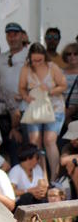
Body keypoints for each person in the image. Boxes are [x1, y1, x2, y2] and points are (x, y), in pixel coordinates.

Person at [19, 43, 67, 179]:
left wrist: (50, 91)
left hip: (54, 108)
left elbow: (63, 85)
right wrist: (25, 97)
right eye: (34, 60)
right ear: (30, 58)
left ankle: (54, 177)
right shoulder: (26, 69)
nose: (37, 63)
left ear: (45, 58)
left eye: (39, 60)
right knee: (35, 142)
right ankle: (41, 176)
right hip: (35, 108)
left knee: (50, 140)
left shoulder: (53, 67)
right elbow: (21, 88)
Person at [0, 23, 27, 103]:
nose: (12, 39)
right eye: (9, 35)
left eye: (15, 35)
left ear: (22, 37)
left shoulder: (30, 56)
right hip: (4, 105)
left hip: (26, 105)